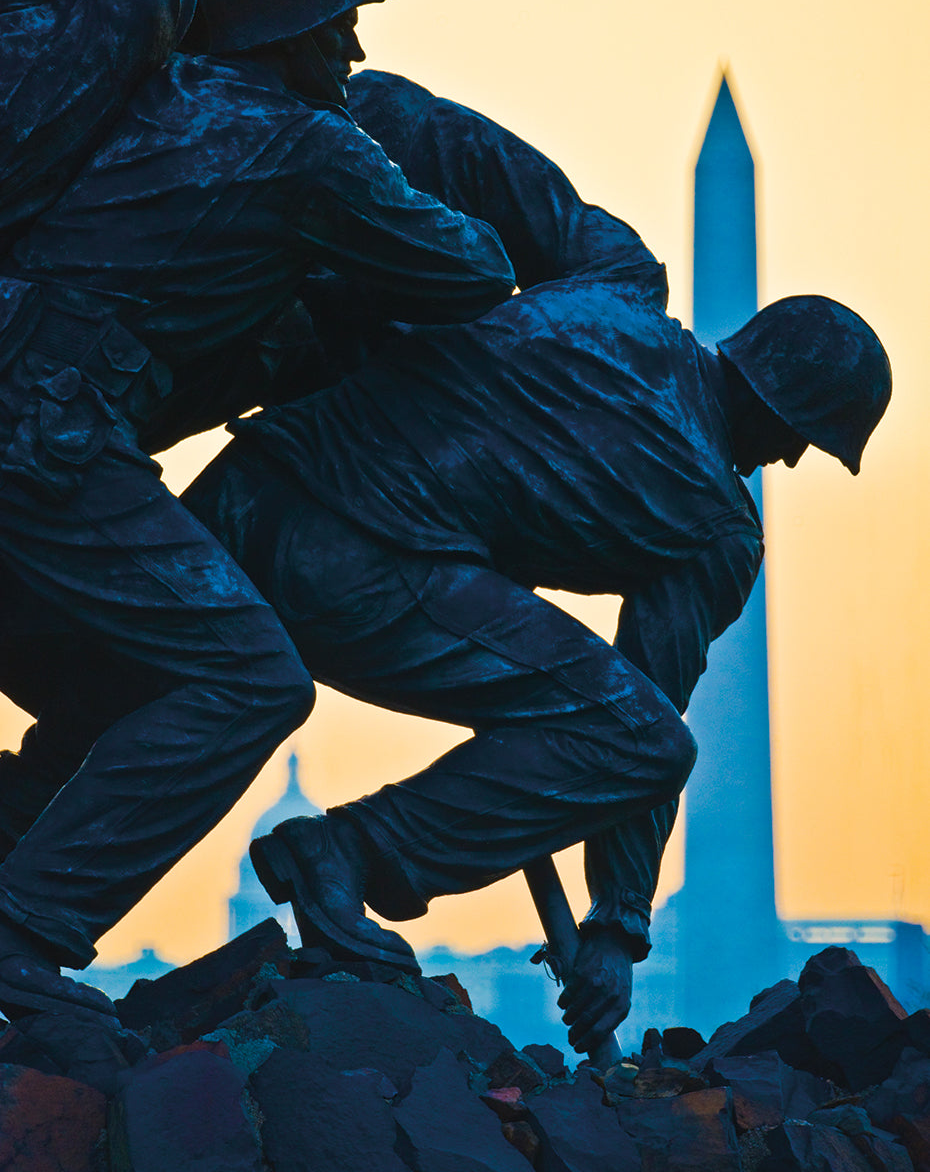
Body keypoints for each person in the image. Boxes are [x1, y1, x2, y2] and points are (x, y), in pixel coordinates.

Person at [0, 0, 514, 1021]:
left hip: (39, 422)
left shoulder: (142, 101)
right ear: (284, 32)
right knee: (249, 681)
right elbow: (471, 268)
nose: (358, 44)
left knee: (123, 682)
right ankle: (22, 931)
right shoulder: (302, 150)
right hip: (42, 437)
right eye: (339, 22)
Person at [176, 280, 890, 1055]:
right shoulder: (715, 521)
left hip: (238, 494)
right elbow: (648, 717)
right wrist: (617, 927)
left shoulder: (602, 309)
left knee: (106, 712)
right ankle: (346, 851)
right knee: (641, 741)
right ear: (779, 411)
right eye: (802, 438)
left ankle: (28, 895)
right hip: (353, 563)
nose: (787, 458)